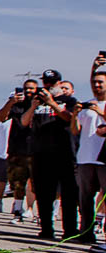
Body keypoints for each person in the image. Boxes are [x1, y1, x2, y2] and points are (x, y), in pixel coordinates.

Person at [17, 70, 80, 242]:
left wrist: (52, 103)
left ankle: (70, 230)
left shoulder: (69, 101)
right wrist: (33, 106)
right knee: (44, 194)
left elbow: (68, 118)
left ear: (59, 83)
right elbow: (23, 122)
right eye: (45, 82)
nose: (48, 86)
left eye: (51, 83)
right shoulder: (36, 100)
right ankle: (46, 228)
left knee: (68, 194)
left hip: (64, 153)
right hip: (40, 153)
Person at [0, 81, 39, 223]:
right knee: (17, 183)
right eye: (26, 89)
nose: (28, 91)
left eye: (31, 89)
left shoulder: (40, 105)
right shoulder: (16, 106)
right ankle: (18, 211)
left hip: (35, 149)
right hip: (17, 148)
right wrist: (10, 102)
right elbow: (1, 117)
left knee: (36, 183)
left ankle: (34, 211)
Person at [73, 69, 104, 249]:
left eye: (100, 82)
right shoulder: (87, 106)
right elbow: (75, 130)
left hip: (103, 159)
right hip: (85, 157)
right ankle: (86, 232)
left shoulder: (101, 106)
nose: (97, 85)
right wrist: (76, 114)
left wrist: (100, 111)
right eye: (95, 82)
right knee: (85, 197)